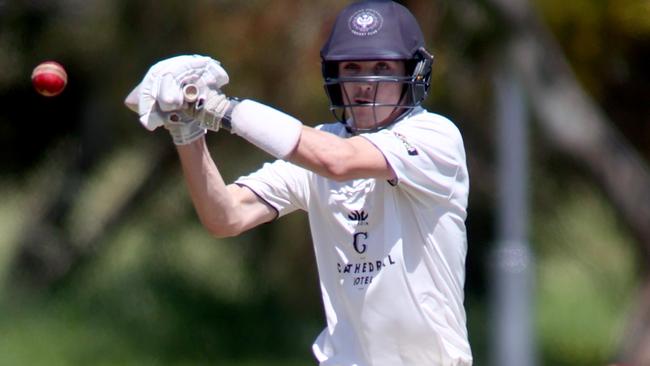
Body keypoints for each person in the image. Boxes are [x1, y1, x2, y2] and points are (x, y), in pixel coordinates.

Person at [125, 0, 472, 365]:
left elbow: (338, 162)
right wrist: (187, 131)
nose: (365, 83)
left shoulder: (434, 136)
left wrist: (218, 107)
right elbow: (225, 217)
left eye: (382, 67)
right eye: (352, 67)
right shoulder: (320, 145)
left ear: (412, 72)